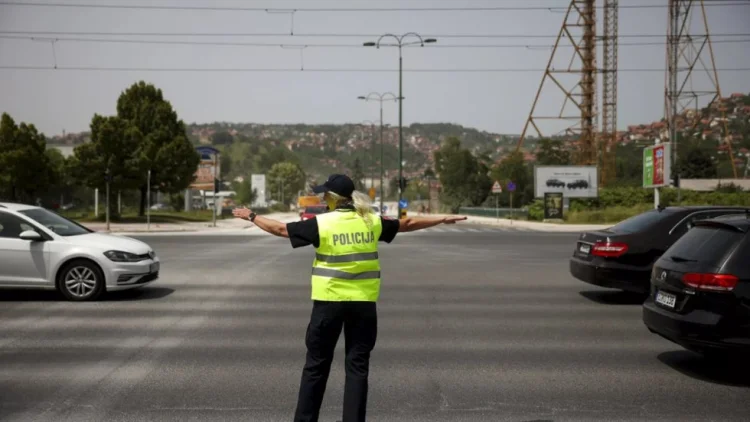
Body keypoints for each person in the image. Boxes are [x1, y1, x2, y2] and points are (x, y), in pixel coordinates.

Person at [232, 173, 467, 422]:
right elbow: (406, 225)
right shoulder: (370, 221)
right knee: (357, 368)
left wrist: (252, 216)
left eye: (325, 194)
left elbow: (281, 230)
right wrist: (441, 218)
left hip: (329, 304)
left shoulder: (323, 223)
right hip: (363, 306)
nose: (323, 198)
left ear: (333, 198)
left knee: (316, 366)